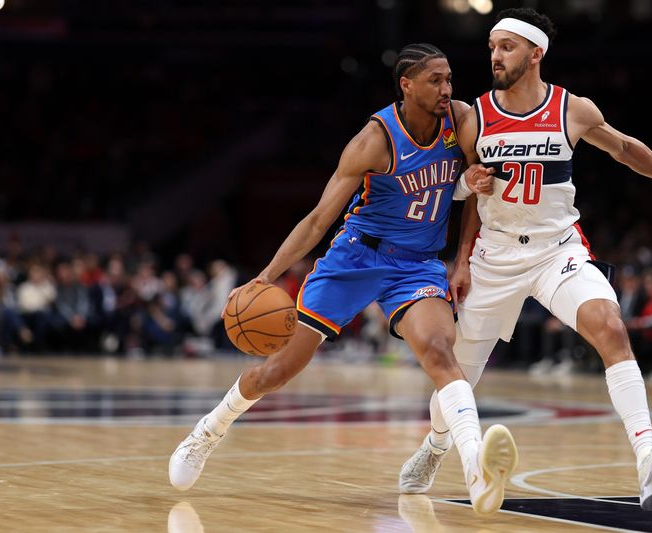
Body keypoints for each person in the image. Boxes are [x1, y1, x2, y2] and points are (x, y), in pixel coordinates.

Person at [398, 8, 652, 512]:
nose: (494, 55)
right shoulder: (474, 115)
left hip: (558, 250)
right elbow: (465, 187)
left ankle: (647, 462)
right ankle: (437, 445)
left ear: (536, 53)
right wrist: (462, 250)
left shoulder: (571, 109)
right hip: (495, 256)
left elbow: (624, 148)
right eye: (492, 46)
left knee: (611, 327)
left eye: (506, 46)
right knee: (457, 378)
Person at [169, 43, 518, 517]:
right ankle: (208, 431)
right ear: (407, 85)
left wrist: (462, 260)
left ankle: (476, 469)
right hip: (356, 257)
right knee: (279, 370)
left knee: (440, 352)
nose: (447, 89)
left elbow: (477, 184)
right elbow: (317, 220)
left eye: (450, 78)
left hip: (417, 264)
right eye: (435, 80)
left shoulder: (460, 120)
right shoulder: (373, 140)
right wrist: (265, 278)